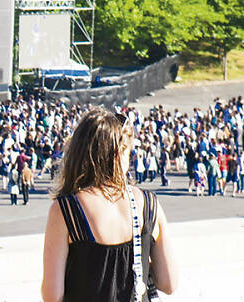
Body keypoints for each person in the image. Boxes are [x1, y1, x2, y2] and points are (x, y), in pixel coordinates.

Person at [41, 108, 177, 302]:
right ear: (121, 153)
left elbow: (52, 295)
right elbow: (169, 283)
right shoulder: (148, 204)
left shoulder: (67, 210)